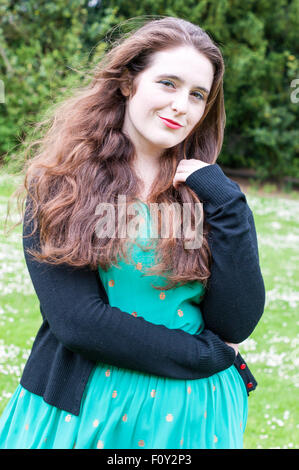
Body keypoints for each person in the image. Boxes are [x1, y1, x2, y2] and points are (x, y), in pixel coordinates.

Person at [0, 17, 265, 449]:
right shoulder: (60, 185)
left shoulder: (203, 196)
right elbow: (79, 322)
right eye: (167, 83)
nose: (182, 104)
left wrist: (229, 206)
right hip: (86, 411)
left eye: (197, 94)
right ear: (128, 82)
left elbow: (234, 320)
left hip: (197, 416)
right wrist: (207, 355)